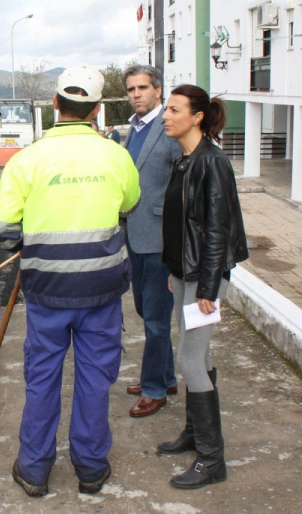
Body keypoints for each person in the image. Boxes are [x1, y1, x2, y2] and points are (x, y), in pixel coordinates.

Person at [0, 65, 140, 497]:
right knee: (95, 378)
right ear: (95, 110)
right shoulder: (116, 155)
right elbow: (130, 202)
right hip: (101, 291)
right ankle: (91, 468)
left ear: (54, 104)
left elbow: (0, 226)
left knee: (42, 377)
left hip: (47, 292)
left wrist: (23, 244)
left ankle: (34, 469)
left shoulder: (28, 158)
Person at [157, 84, 248, 489]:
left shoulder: (212, 162)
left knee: (190, 360)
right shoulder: (186, 160)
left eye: (174, 110)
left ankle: (212, 460)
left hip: (204, 278)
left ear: (196, 117)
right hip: (186, 274)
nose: (166, 116)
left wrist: (209, 288)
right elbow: (181, 225)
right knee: (200, 353)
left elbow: (218, 231)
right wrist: (173, 271)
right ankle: (195, 436)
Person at [121, 64, 182, 418]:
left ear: (159, 90)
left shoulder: (169, 127)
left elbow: (182, 185)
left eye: (142, 87)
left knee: (157, 319)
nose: (136, 94)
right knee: (146, 311)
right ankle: (167, 376)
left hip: (161, 240)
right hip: (135, 236)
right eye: (130, 89)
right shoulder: (133, 129)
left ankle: (155, 389)